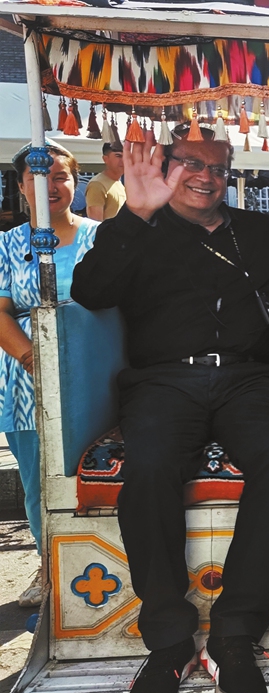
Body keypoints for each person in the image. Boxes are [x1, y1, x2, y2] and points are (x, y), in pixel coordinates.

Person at [72, 127, 269, 693]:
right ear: (165, 167)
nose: (207, 177)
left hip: (250, 379)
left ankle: (235, 633)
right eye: (191, 164)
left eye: (219, 167)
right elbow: (90, 291)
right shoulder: (134, 225)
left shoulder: (261, 233)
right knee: (149, 466)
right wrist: (136, 214)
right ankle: (169, 641)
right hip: (163, 381)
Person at [0, 141, 98, 608]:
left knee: (94, 470)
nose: (50, 186)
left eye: (60, 176)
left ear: (75, 182)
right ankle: (47, 565)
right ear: (21, 187)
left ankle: (102, 560)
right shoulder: (7, 244)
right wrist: (32, 359)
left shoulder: (100, 238)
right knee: (39, 478)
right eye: (37, 178)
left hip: (92, 370)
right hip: (27, 379)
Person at [85, 142, 126, 221]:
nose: (124, 160)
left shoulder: (118, 183)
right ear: (105, 159)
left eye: (126, 156)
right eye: (118, 156)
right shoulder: (97, 185)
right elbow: (96, 224)